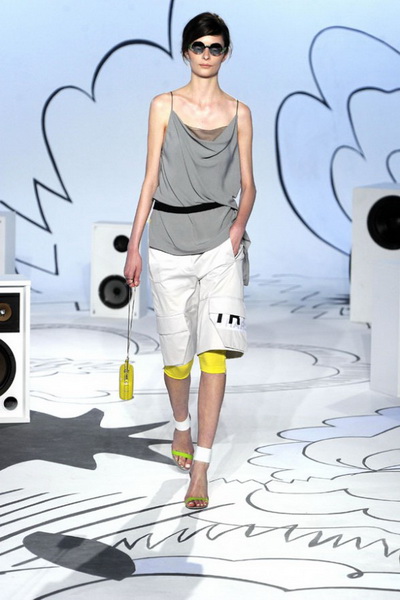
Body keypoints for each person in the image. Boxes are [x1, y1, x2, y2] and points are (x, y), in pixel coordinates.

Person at [124, 12, 256, 510]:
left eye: (215, 47)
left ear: (226, 53)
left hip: (219, 245)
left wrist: (237, 230)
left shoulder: (241, 112)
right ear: (185, 52)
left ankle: (201, 464)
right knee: (177, 358)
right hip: (167, 243)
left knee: (213, 354)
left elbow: (250, 184)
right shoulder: (163, 105)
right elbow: (150, 179)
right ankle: (181, 426)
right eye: (198, 46)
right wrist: (133, 245)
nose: (206, 54)